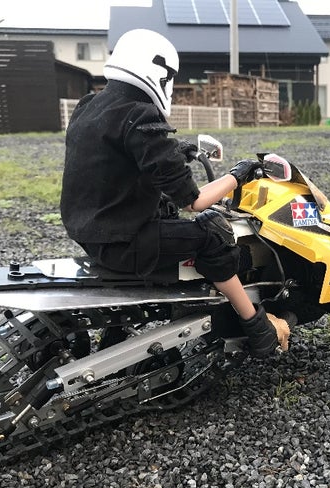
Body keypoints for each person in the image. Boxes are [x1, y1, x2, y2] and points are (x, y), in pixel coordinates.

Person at [60, 28, 287, 357]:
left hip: (92, 232)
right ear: (158, 71)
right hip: (123, 242)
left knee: (165, 211)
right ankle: (258, 327)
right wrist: (239, 175)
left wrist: (176, 151)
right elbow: (194, 202)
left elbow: (117, 156)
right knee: (212, 233)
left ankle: (118, 328)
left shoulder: (91, 105)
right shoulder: (140, 114)